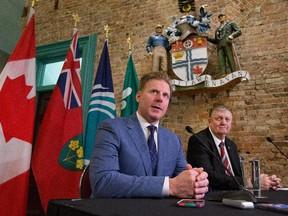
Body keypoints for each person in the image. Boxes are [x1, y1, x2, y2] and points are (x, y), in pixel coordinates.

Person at [89, 72, 209, 198]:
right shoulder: (111, 129)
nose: (160, 99)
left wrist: (197, 181)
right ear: (138, 97)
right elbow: (102, 182)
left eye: (165, 95)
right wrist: (170, 186)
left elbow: (183, 181)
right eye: (153, 92)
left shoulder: (173, 140)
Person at [186, 103, 281, 191]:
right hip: (214, 196)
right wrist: (250, 182)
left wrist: (266, 182)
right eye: (219, 118)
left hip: (236, 194)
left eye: (227, 119)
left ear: (231, 123)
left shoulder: (231, 144)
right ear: (209, 121)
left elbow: (238, 175)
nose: (223, 122)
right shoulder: (198, 140)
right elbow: (208, 176)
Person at [208, 12, 242, 77]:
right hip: (219, 46)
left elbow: (239, 31)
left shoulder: (230, 24)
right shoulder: (217, 30)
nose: (221, 18)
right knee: (221, 60)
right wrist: (208, 38)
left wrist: (232, 35)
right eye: (219, 17)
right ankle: (223, 74)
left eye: (222, 16)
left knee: (230, 58)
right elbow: (216, 41)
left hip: (227, 43)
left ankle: (233, 72)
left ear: (225, 17)